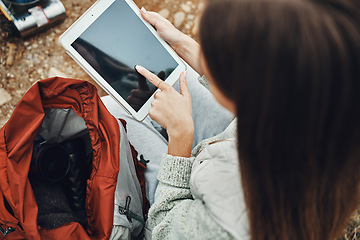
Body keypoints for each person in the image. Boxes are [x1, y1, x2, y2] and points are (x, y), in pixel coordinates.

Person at [104, 0, 360, 239]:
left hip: (188, 202)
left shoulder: (232, 220)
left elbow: (164, 228)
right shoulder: (330, 104)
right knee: (179, 75)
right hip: (231, 149)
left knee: (112, 112)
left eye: (220, 60)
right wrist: (184, 45)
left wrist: (180, 141)